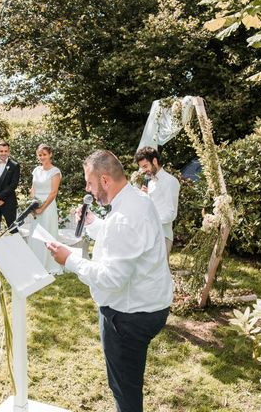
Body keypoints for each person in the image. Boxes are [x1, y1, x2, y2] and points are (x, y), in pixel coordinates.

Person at [46, 150, 173, 412]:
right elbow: (122, 239)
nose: (87, 189)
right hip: (150, 305)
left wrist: (68, 259)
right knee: (127, 385)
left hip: (129, 316)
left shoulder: (124, 217)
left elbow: (111, 278)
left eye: (89, 183)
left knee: (124, 391)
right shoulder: (137, 200)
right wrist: (93, 223)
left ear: (105, 180)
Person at [134, 146, 180, 258]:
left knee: (160, 274)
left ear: (154, 161)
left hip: (162, 235)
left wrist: (151, 222)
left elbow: (171, 213)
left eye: (145, 166)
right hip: (149, 234)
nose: (144, 170)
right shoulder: (150, 183)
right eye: (142, 167)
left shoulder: (170, 181)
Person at [27, 144, 63, 274]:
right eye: (40, 155)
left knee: (47, 234)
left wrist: (42, 208)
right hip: (36, 205)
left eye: (44, 154)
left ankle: (49, 265)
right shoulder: (36, 170)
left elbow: (53, 192)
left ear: (50, 154)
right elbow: (33, 188)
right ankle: (35, 262)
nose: (42, 157)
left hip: (48, 207)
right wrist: (32, 203)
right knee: (35, 234)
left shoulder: (55, 172)